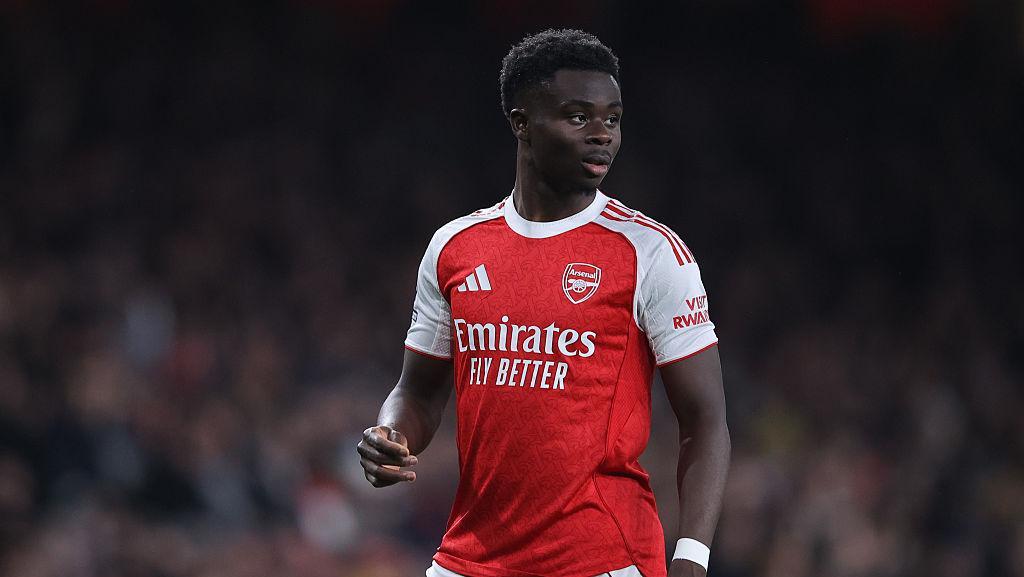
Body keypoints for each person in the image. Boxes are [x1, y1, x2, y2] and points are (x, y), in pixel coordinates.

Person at [357, 29, 730, 577]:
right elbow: (418, 391)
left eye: (613, 119)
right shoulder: (455, 247)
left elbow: (706, 419)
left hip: (602, 560)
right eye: (579, 117)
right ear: (521, 122)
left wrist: (692, 558)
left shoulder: (650, 252)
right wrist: (391, 434)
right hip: (470, 557)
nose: (602, 134)